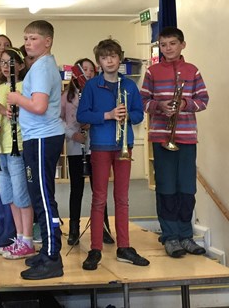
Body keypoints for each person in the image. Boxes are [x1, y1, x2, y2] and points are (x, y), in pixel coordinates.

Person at [77, 38, 149, 271]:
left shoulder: (129, 86)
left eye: (113, 56)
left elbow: (139, 115)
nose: (109, 60)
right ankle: (95, 248)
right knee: (99, 199)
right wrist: (107, 115)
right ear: (99, 61)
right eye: (104, 57)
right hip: (100, 145)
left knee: (123, 198)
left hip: (123, 145)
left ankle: (124, 247)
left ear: (120, 59)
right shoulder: (91, 86)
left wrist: (128, 114)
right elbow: (83, 115)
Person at [140, 27, 208, 258]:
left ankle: (185, 235)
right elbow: (143, 101)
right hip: (161, 135)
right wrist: (159, 106)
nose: (168, 48)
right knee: (167, 188)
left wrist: (185, 105)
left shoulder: (192, 70)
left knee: (187, 188)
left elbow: (203, 99)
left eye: (172, 43)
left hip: (187, 137)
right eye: (163, 44)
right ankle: (170, 237)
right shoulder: (152, 71)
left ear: (182, 45)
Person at [6, 20, 65, 280]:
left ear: (47, 41)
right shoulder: (41, 67)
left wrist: (17, 99)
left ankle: (53, 258)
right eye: (26, 38)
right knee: (39, 196)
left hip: (42, 138)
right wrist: (19, 106)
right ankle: (47, 252)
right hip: (36, 137)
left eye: (33, 38)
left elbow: (39, 106)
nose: (28, 43)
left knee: (43, 197)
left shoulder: (42, 68)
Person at [0, 48, 35, 259]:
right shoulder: (0, 86)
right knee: (9, 197)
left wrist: (0, 110)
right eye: (3, 63)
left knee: (21, 195)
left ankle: (28, 240)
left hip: (19, 146)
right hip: (1, 147)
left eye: (11, 63)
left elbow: (21, 114)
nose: (6, 67)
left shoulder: (24, 86)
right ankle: (18, 238)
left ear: (21, 65)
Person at [61, 58, 114, 246]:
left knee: (98, 190)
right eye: (84, 69)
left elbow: (105, 115)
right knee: (76, 190)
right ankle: (74, 230)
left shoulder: (97, 93)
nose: (89, 73)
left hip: (96, 146)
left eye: (92, 70)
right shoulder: (66, 95)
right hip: (76, 147)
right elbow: (58, 119)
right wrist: (72, 133)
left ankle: (103, 228)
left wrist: (91, 121)